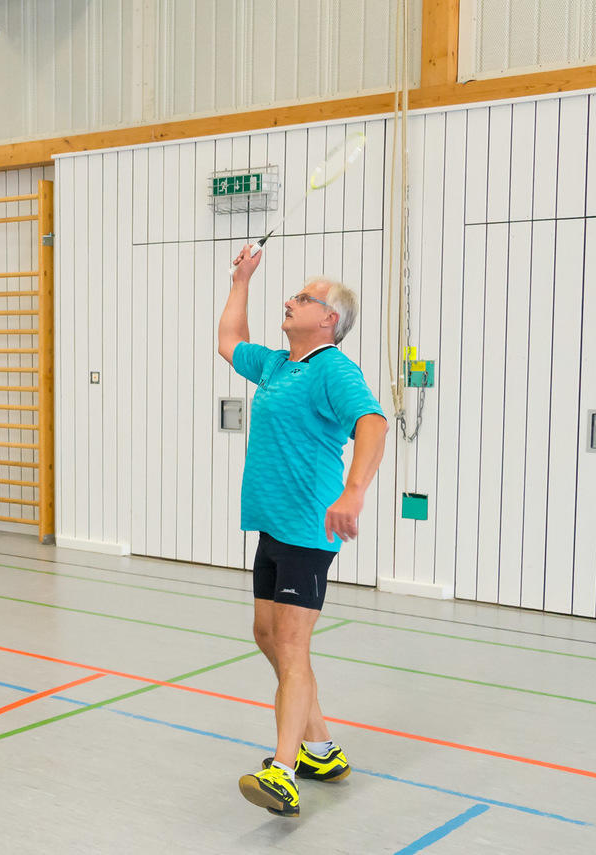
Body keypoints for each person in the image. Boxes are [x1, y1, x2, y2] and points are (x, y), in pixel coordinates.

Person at [217, 245, 387, 817]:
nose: (290, 301)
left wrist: (354, 492)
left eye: (303, 297)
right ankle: (321, 750)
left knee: (290, 646)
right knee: (268, 636)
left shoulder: (333, 368)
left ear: (329, 319)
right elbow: (228, 341)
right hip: (273, 525)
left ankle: (283, 772)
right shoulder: (277, 366)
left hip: (309, 529)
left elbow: (373, 422)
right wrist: (241, 280)